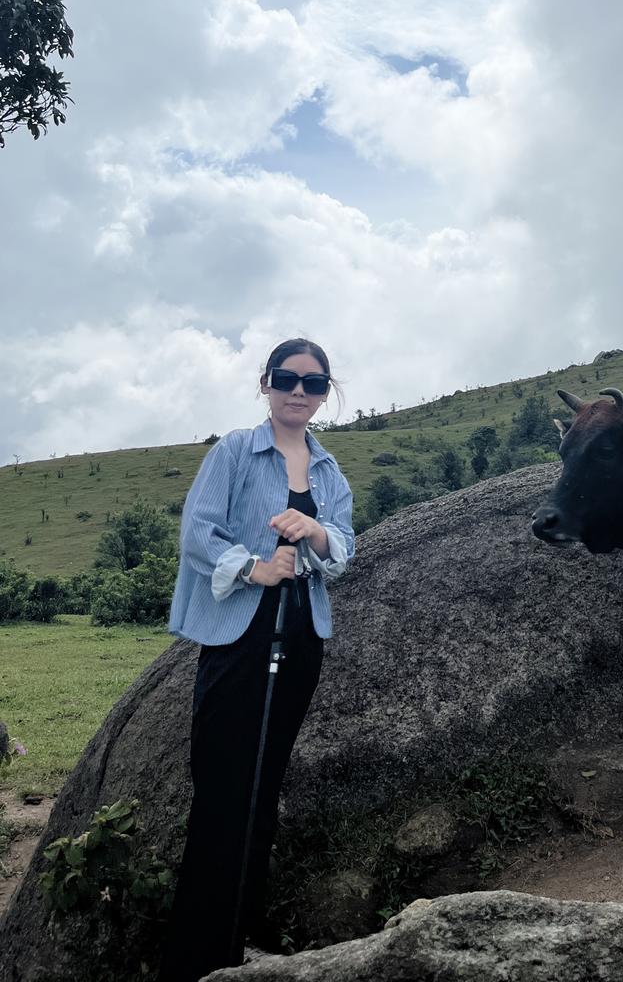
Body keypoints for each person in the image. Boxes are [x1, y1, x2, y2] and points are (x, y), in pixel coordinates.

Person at [159, 338, 355, 982]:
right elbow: (197, 532)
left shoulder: (328, 472)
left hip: (301, 638)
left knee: (266, 786)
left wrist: (317, 532)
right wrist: (256, 567)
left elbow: (344, 548)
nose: (299, 392)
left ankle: (241, 932)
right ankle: (194, 953)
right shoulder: (235, 451)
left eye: (315, 383)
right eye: (287, 378)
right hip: (239, 636)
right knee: (222, 787)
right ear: (265, 382)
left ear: (326, 392)